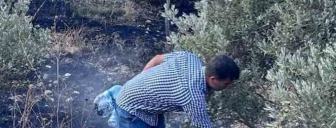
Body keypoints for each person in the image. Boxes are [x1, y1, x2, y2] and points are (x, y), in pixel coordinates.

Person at [101, 51, 240, 128]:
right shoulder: (192, 95)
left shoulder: (190, 58)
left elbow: (156, 59)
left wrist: (139, 82)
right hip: (130, 110)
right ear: (213, 80)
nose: (228, 87)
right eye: (226, 84)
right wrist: (139, 88)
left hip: (148, 107)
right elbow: (204, 126)